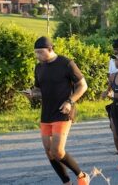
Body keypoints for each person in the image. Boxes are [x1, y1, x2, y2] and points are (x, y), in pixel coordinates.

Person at [30, 37, 89, 185]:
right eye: (36, 53)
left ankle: (81, 175)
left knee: (57, 151)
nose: (38, 56)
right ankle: (66, 182)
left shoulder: (66, 63)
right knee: (49, 152)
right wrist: (32, 94)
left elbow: (83, 86)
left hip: (63, 112)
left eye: (40, 52)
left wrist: (70, 101)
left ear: (50, 49)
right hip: (46, 113)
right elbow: (39, 90)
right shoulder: (39, 67)